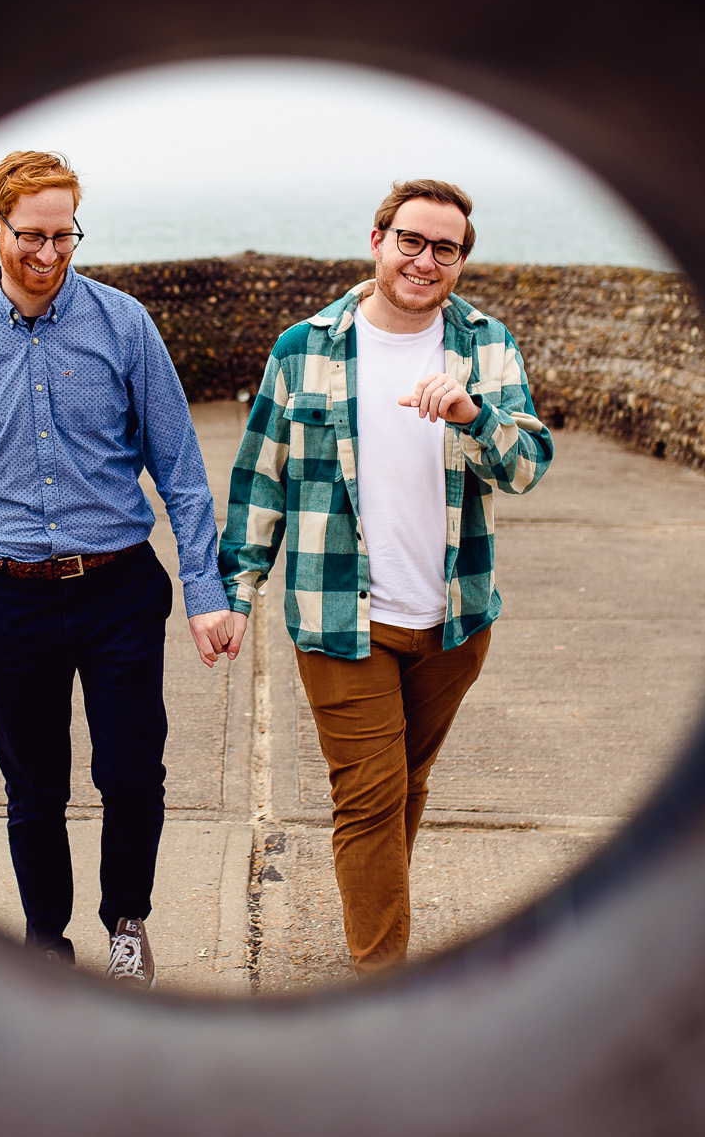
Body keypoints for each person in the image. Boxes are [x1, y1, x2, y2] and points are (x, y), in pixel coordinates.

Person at [0, 150, 235, 987]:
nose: (49, 253)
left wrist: (206, 591)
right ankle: (45, 940)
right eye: (32, 234)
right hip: (7, 600)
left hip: (120, 589)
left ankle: (127, 921)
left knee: (131, 771)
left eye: (66, 234)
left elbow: (182, 468)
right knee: (34, 786)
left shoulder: (124, 325)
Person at [215, 178, 553, 974]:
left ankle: (377, 924)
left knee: (404, 784)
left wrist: (476, 415)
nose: (425, 260)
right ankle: (382, 981)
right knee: (368, 797)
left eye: (445, 247)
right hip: (337, 616)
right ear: (378, 240)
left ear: (461, 261)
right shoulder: (305, 347)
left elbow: (528, 468)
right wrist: (235, 593)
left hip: (454, 621)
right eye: (411, 240)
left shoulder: (487, 345)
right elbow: (260, 476)